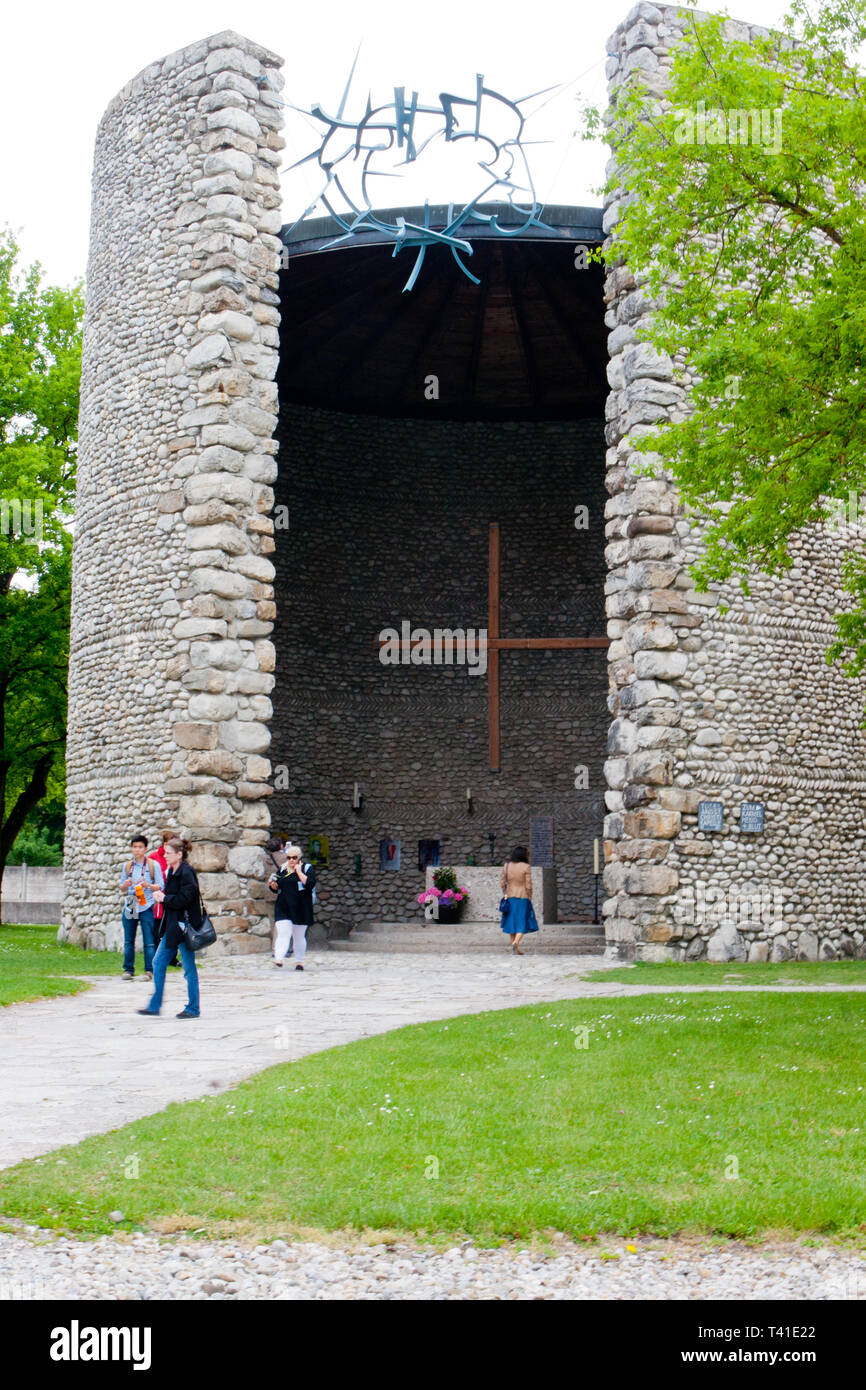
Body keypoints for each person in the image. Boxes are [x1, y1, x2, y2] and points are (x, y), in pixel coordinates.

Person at [137, 837, 202, 1018]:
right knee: (158, 962)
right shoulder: (173, 871)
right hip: (174, 927)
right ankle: (155, 1005)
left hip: (184, 927)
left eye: (168, 853)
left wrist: (164, 898)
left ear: (179, 854)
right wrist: (161, 895)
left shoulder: (186, 872)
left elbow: (186, 898)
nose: (165, 855)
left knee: (189, 968)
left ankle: (193, 1008)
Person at [119, 835, 164, 981]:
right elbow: (121, 887)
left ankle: (149, 970)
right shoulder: (127, 866)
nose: (137, 850)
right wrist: (125, 885)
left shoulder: (153, 865)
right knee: (128, 940)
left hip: (147, 904)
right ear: (131, 848)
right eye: (134, 847)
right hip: (132, 902)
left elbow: (161, 885)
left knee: (149, 941)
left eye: (140, 847)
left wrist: (148, 886)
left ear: (145, 849)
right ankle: (128, 969)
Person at [270, 844, 316, 971]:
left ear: (299, 858)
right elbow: (277, 886)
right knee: (283, 932)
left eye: (294, 858)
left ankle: (299, 961)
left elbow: (310, 884)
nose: (291, 860)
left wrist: (299, 871)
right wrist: (273, 885)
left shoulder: (307, 868)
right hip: (284, 906)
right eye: (288, 857)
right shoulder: (283, 870)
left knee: (299, 935)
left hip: (301, 907)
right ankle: (279, 958)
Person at [148, 829, 180, 967]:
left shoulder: (175, 857)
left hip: (171, 897)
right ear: (165, 843)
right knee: (158, 928)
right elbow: (152, 876)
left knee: (172, 928)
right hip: (158, 898)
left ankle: (172, 958)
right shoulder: (154, 857)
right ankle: (158, 957)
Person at [500, 845, 539, 955]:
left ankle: (515, 948)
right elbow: (528, 885)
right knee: (522, 922)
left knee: (512, 922)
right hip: (523, 897)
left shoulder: (506, 866)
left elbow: (502, 883)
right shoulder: (526, 867)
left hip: (510, 897)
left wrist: (505, 893)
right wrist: (530, 896)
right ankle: (516, 943)